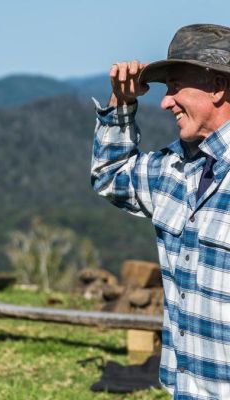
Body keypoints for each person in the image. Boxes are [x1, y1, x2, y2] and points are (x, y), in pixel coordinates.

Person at [91, 24, 230, 398]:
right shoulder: (172, 170)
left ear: (216, 87)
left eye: (174, 87)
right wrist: (121, 104)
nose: (166, 102)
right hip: (185, 388)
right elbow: (110, 177)